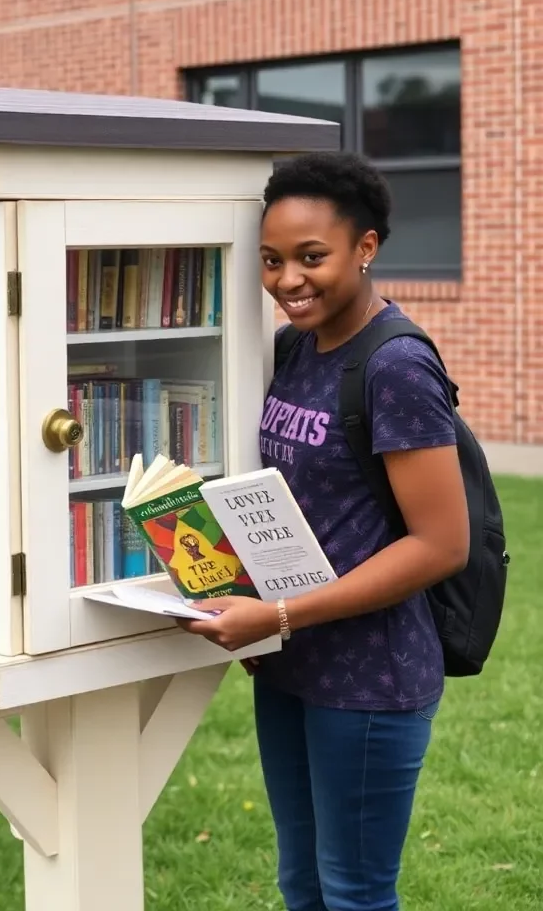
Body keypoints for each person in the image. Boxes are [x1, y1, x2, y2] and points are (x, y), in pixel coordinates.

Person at [182, 151, 469, 911]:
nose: (287, 280)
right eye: (272, 260)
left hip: (368, 681)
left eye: (313, 257)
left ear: (365, 247)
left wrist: (277, 616)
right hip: (287, 665)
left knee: (355, 893)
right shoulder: (294, 349)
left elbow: (441, 545)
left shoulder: (395, 366)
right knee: (302, 884)